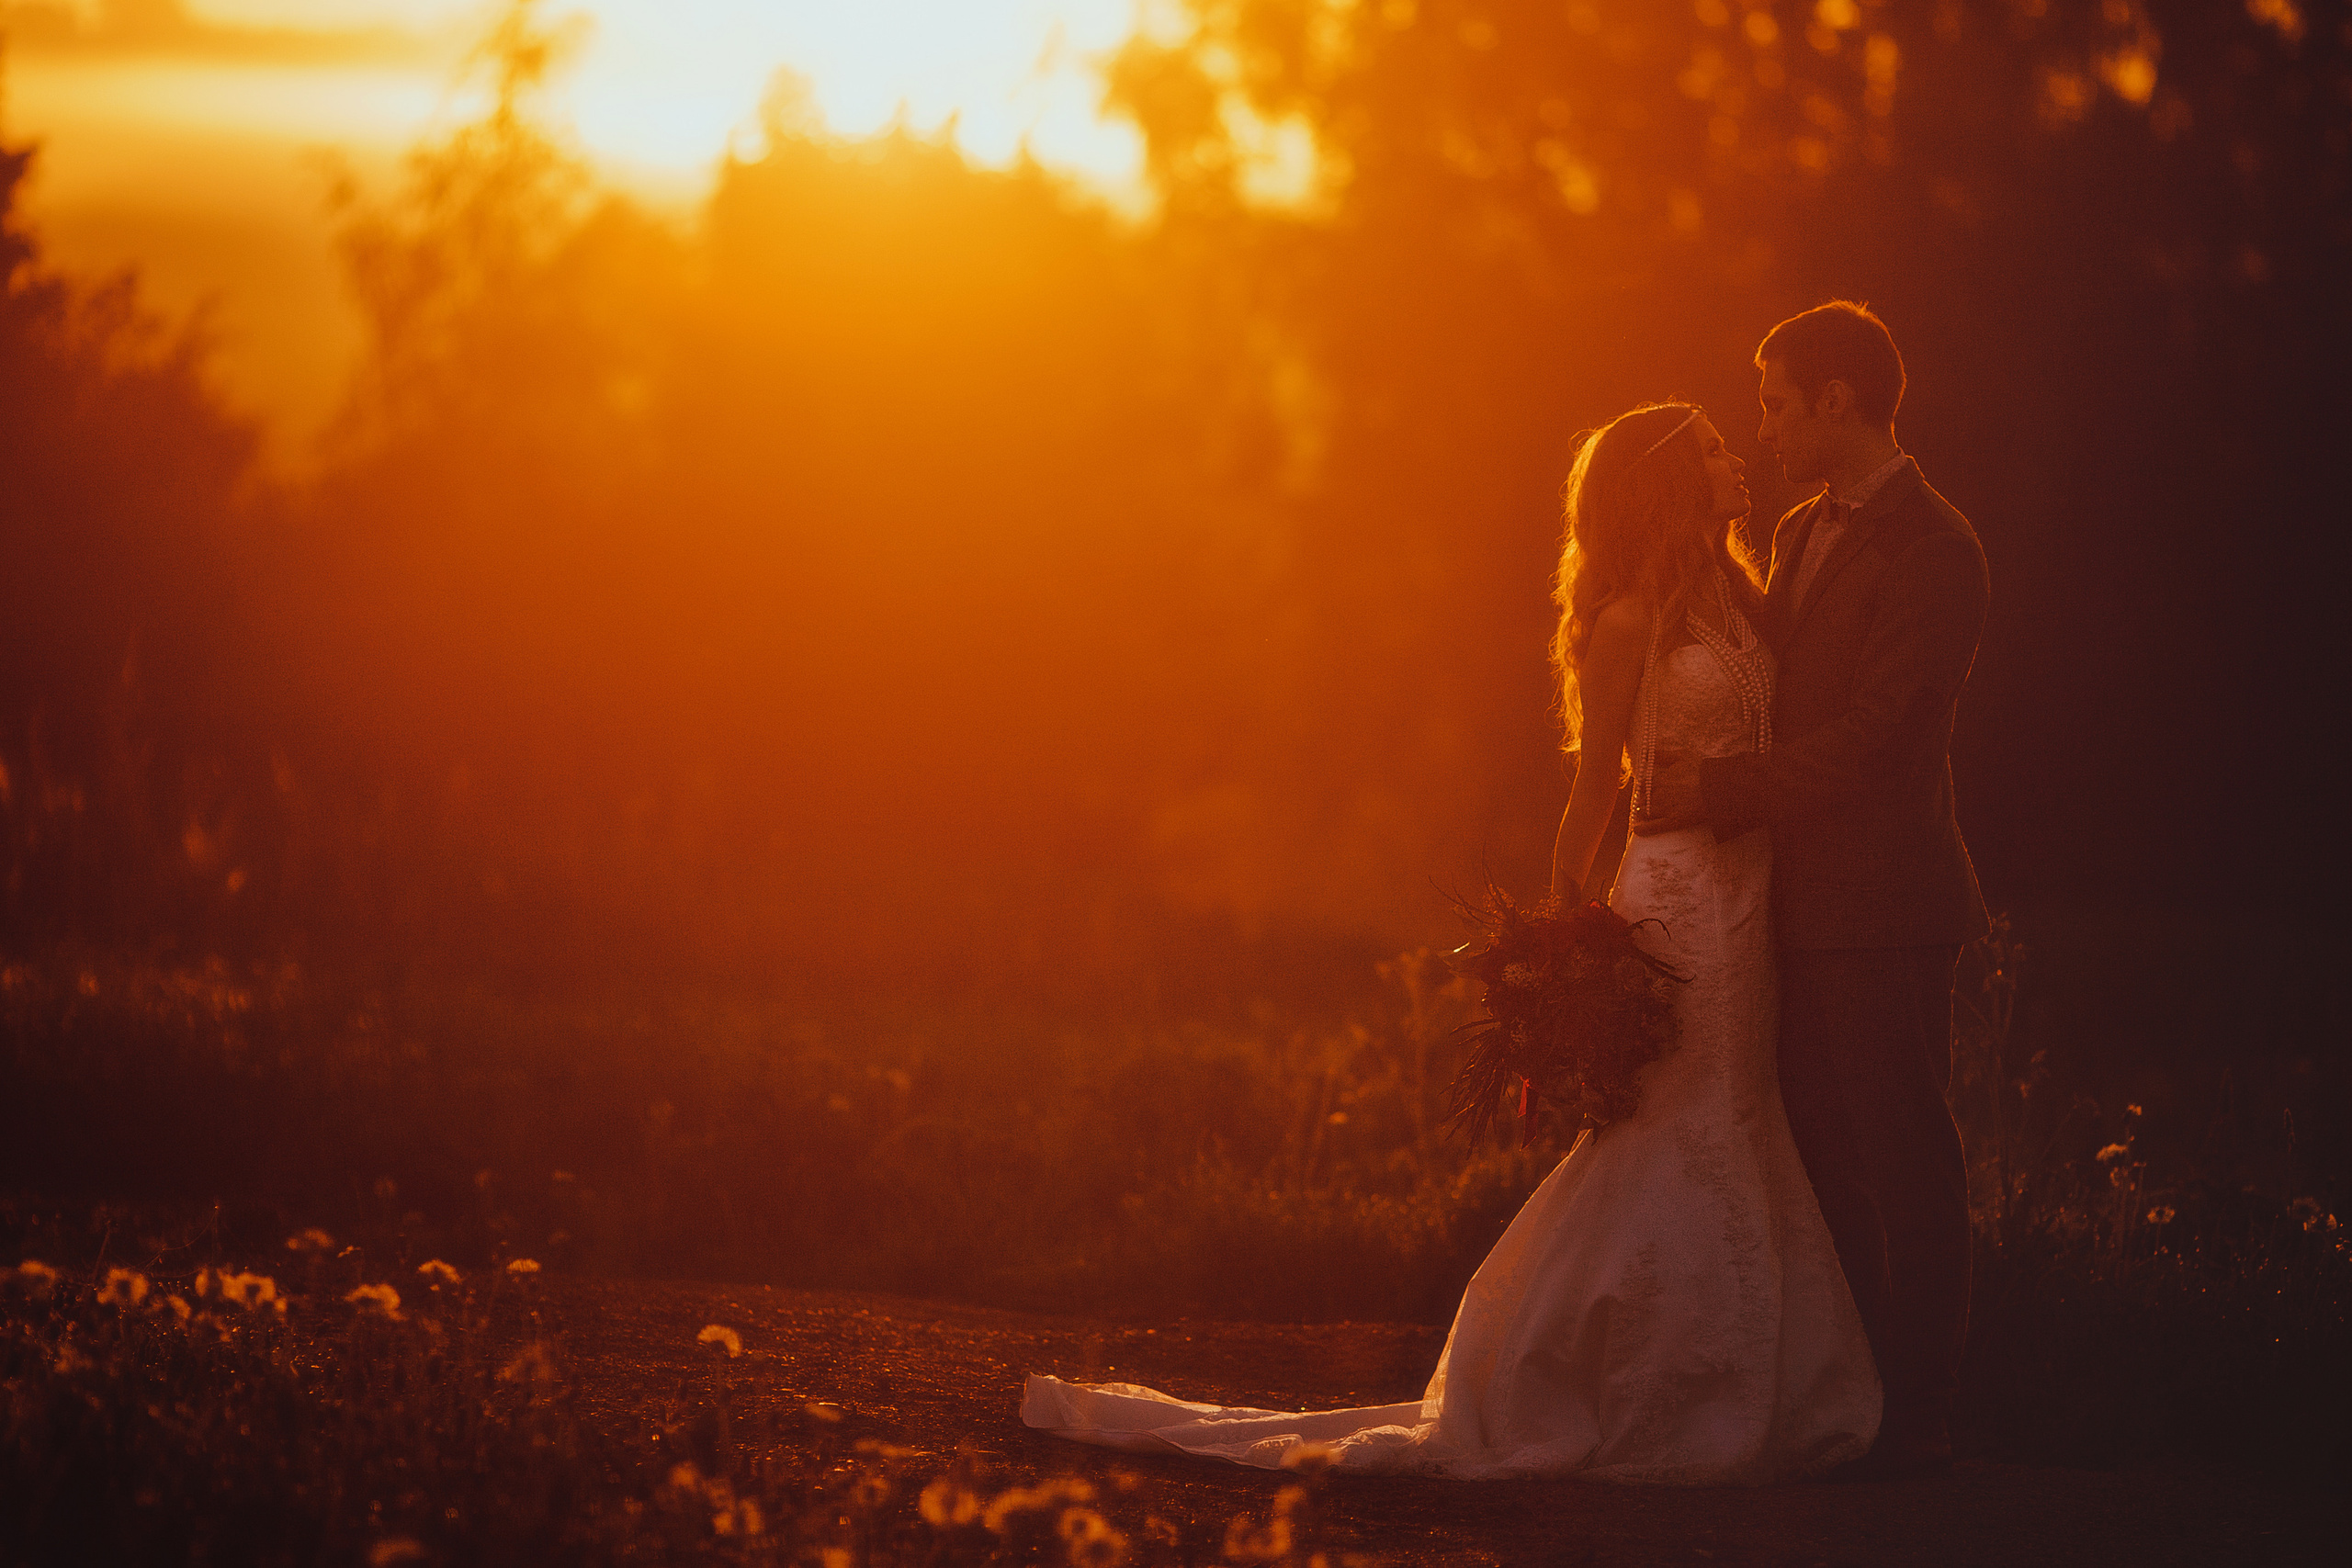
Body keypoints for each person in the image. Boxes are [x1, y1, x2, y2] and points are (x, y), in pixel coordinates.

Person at [1021, 397, 1882, 1483]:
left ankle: (1745, 1383)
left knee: (1740, 1116)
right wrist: (1561, 948)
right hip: (1676, 898)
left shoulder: (1737, 599)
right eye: (1712, 450)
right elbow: (1591, 793)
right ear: (1666, 483)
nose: (1736, 460)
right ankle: (1609, 1379)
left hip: (1750, 894)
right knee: (1671, 1126)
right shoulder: (1626, 623)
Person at [1643, 300, 1989, 1480]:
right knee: (1820, 1156)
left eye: (1776, 402)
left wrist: (1718, 793)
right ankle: (1844, 1397)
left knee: (1903, 1157)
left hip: (1885, 907)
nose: (1766, 424)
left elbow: (1878, 737)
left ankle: (1925, 1420)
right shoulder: (1795, 530)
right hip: (1787, 905)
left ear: (1837, 402)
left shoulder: (1937, 549)